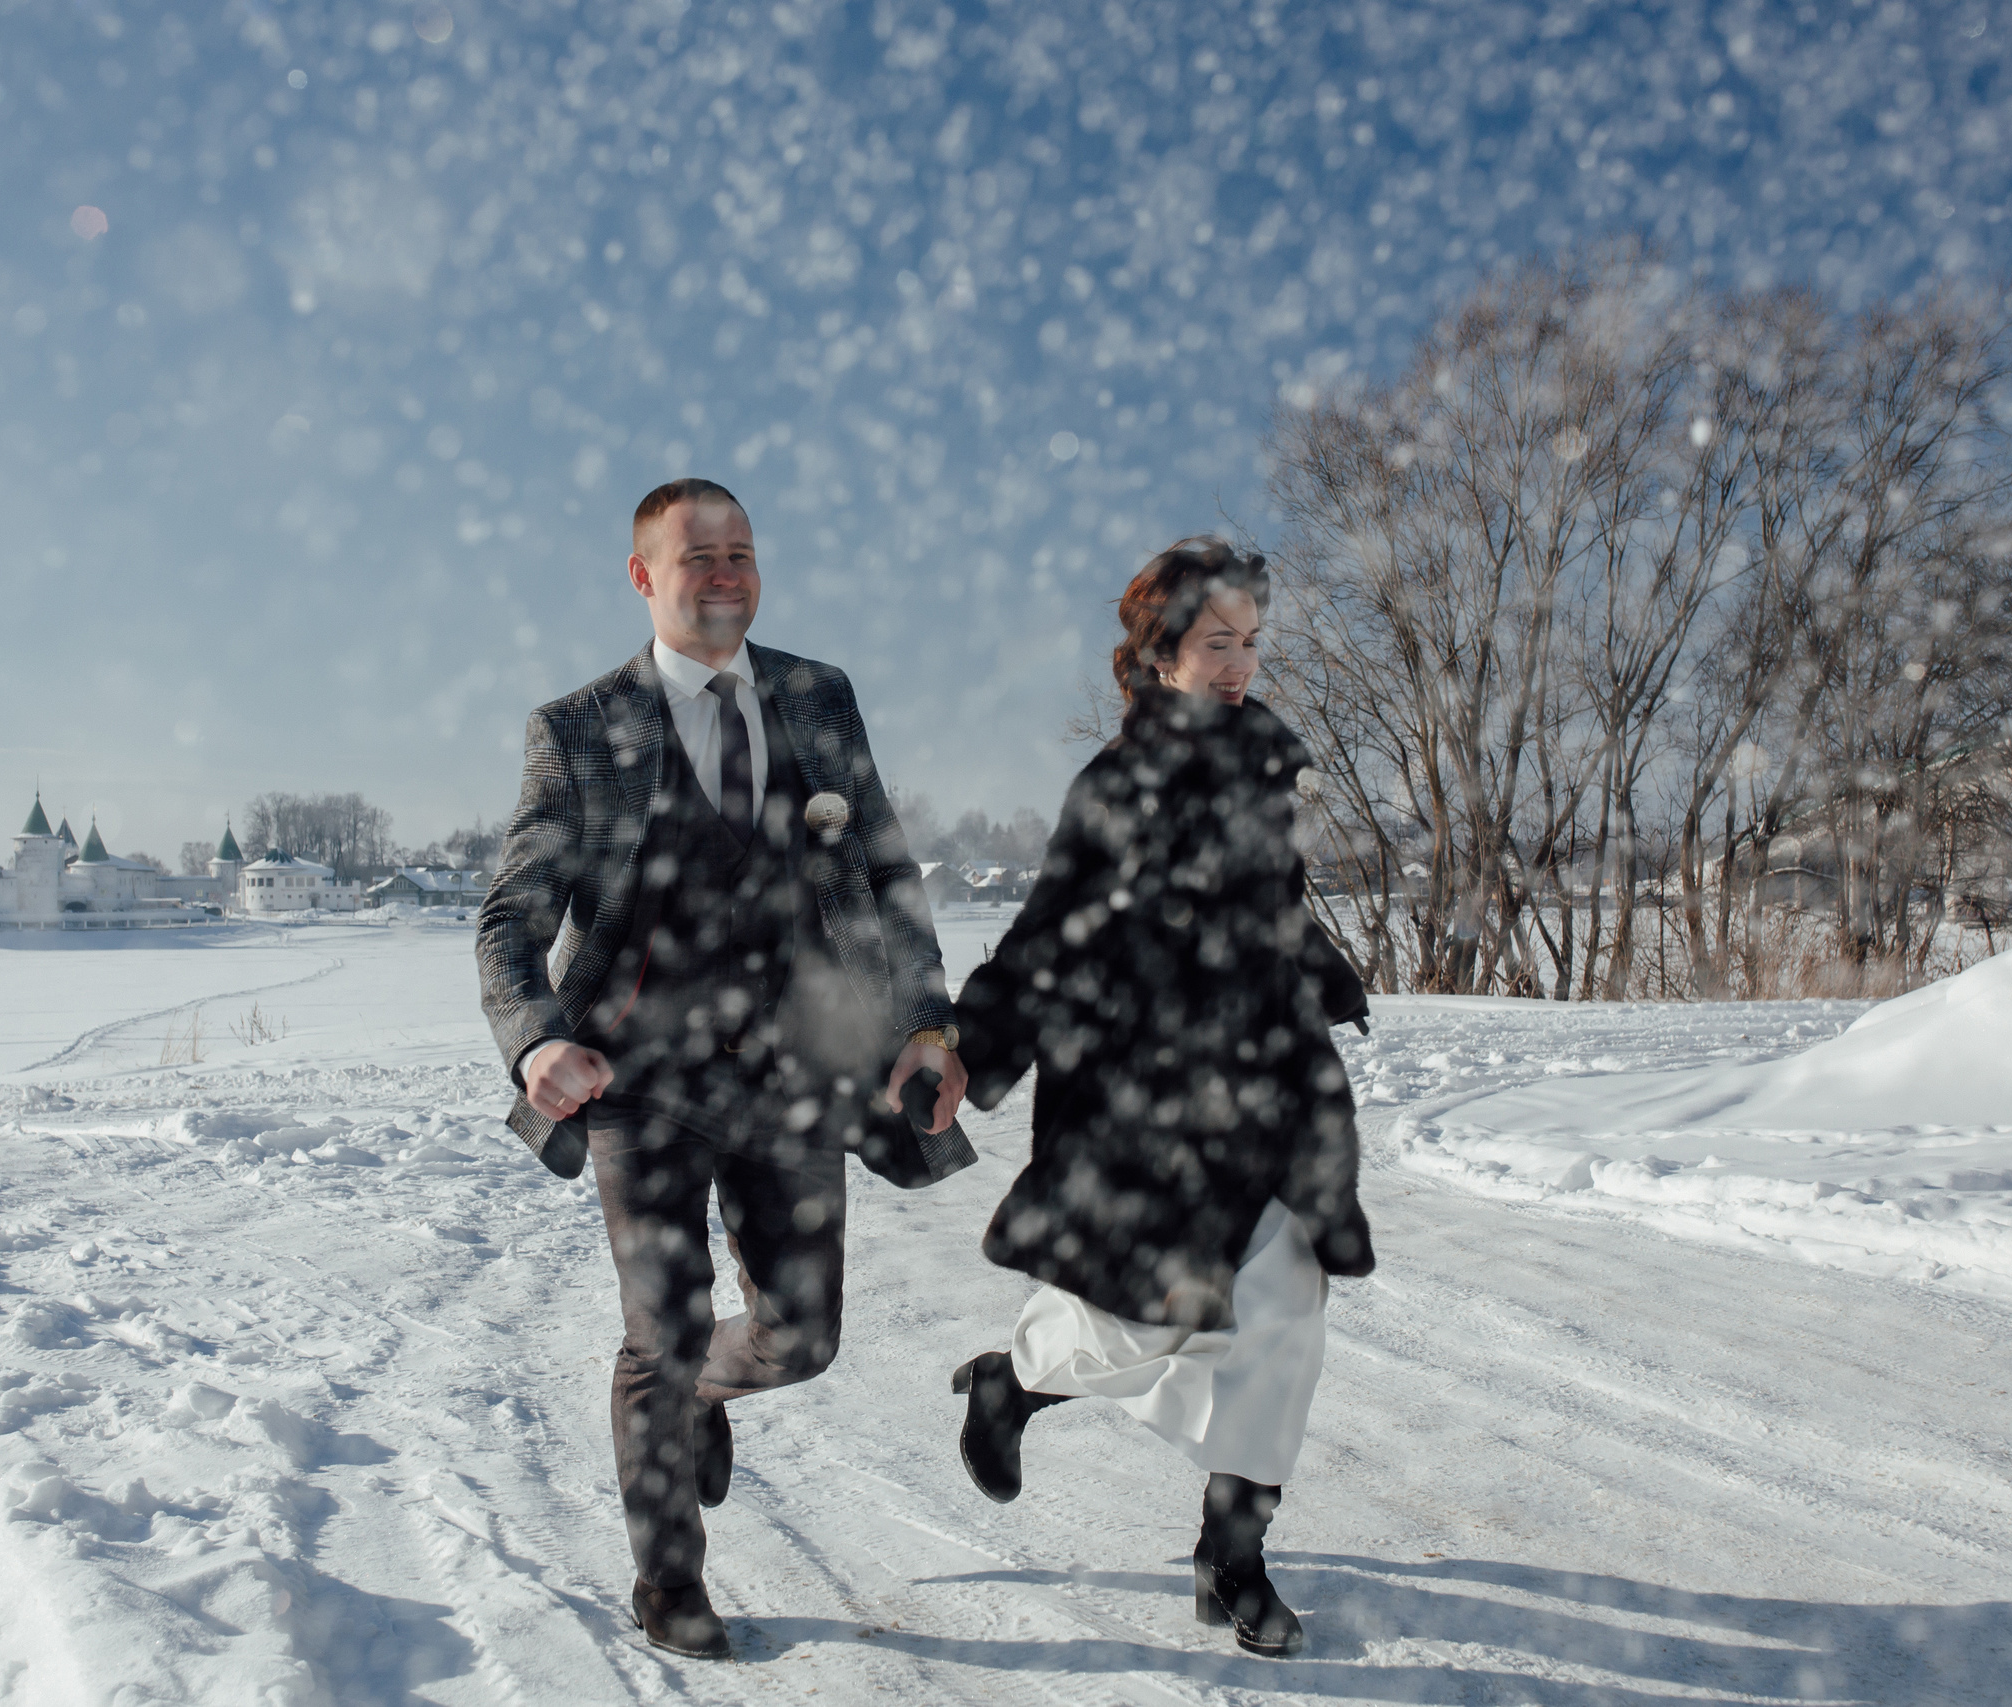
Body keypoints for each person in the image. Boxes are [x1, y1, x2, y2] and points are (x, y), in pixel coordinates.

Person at [477, 478, 974, 1660]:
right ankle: (668, 1582)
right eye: (696, 556)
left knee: (801, 1337)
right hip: (634, 1080)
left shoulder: (816, 696)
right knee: (658, 1328)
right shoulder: (580, 727)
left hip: (792, 1072)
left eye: (742, 552)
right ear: (643, 576)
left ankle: (708, 1390)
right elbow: (510, 915)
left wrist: (924, 1024)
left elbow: (887, 876)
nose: (724, 573)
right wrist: (538, 1036)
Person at [946, 536, 1372, 1658]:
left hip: (1266, 1094)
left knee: (1285, 1320)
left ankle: (1231, 1558)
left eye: (1250, 642)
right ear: (1159, 652)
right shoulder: (1118, 786)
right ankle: (1013, 1384)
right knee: (1131, 1325)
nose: (1238, 665)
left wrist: (1309, 967)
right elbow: (1050, 939)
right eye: (1215, 643)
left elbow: (1257, 909)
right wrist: (970, 1047)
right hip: (1147, 1105)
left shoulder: (1264, 766)